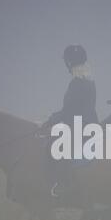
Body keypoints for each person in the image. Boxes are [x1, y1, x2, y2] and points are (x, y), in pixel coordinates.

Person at [39, 44, 98, 197]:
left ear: (69, 63)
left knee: (54, 146)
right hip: (90, 124)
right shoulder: (89, 81)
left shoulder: (76, 83)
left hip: (79, 127)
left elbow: (69, 111)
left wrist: (51, 119)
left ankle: (63, 183)